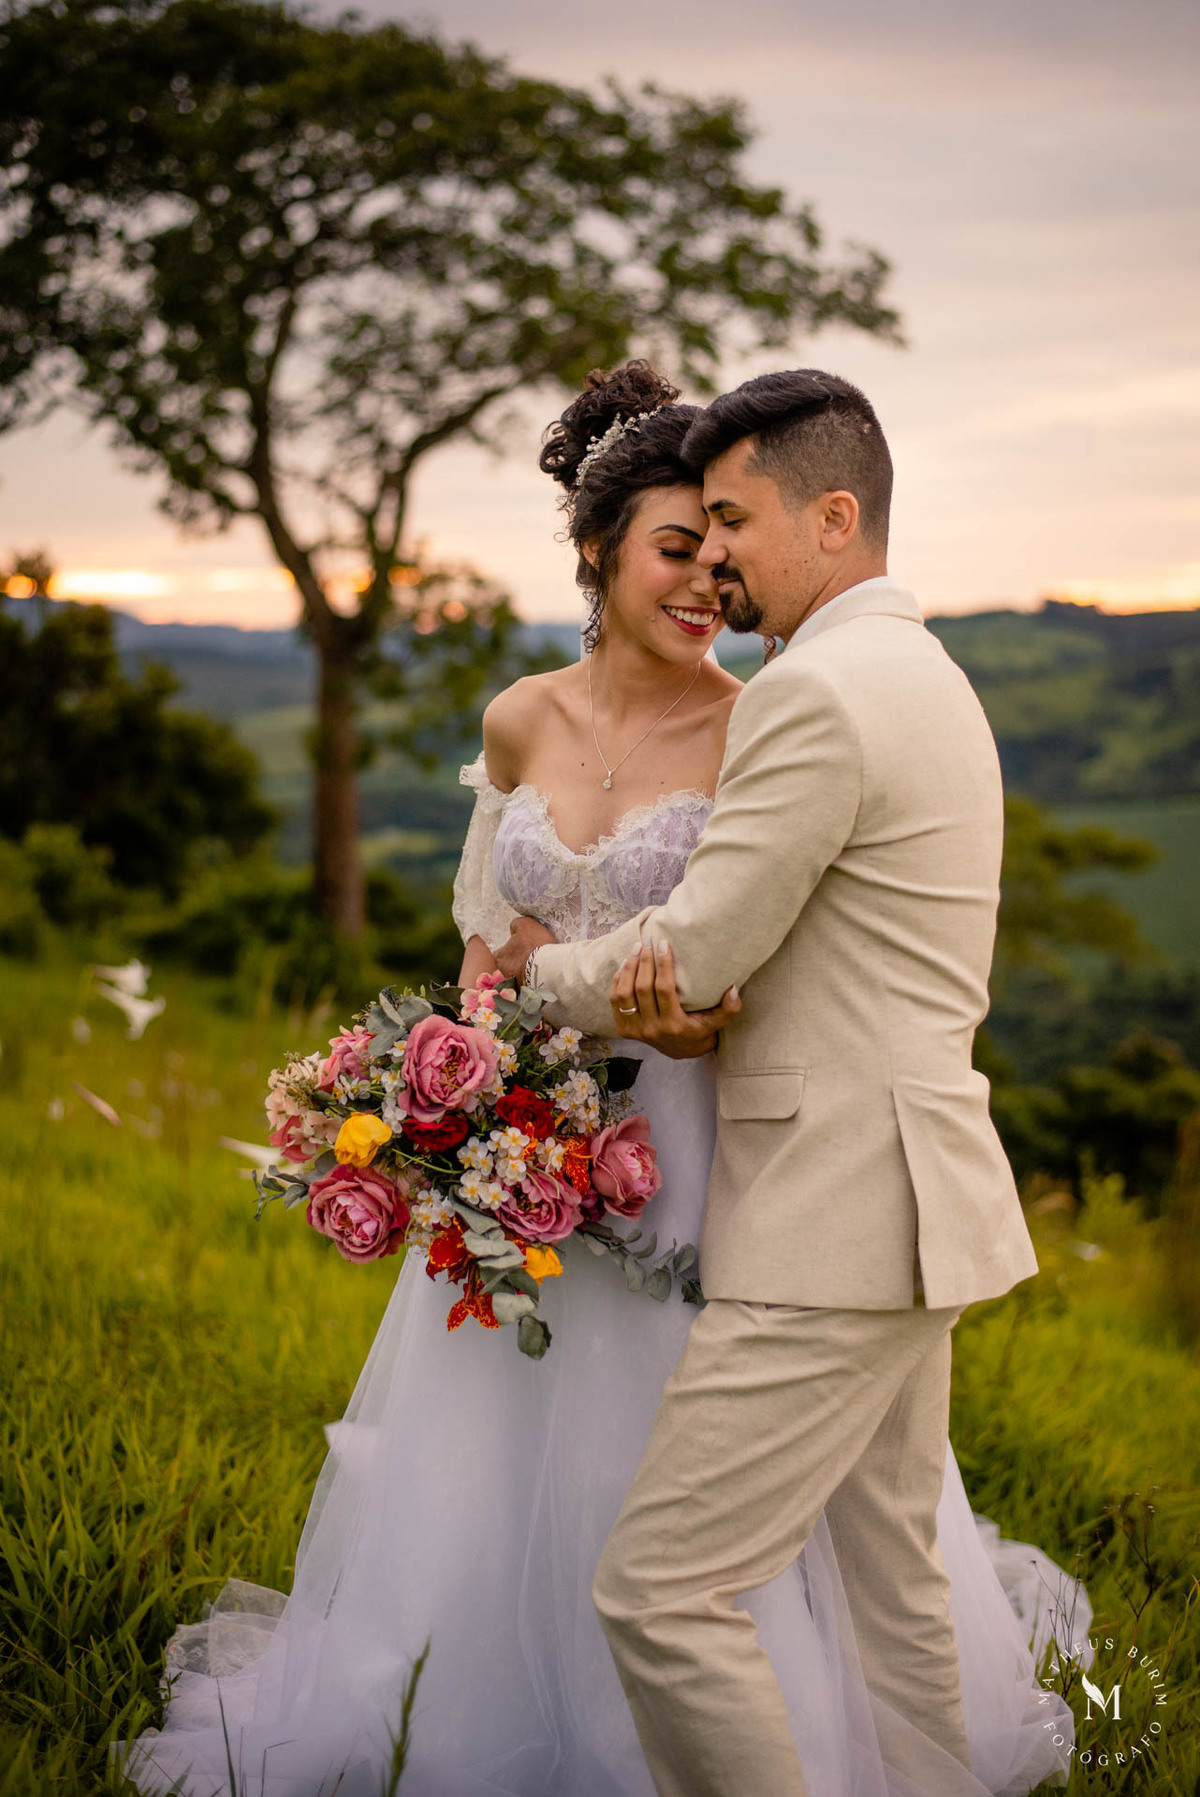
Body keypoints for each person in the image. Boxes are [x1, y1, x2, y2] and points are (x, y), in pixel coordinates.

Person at [120, 363, 1085, 1797]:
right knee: (868, 1553)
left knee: (670, 1582)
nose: (714, 572)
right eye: (685, 541)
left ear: (830, 515)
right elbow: (488, 928)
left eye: (730, 531)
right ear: (599, 554)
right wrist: (474, 1053)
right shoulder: (883, 669)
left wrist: (534, 987)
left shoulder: (790, 702)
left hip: (749, 1165)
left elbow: (699, 961)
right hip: (737, 1159)